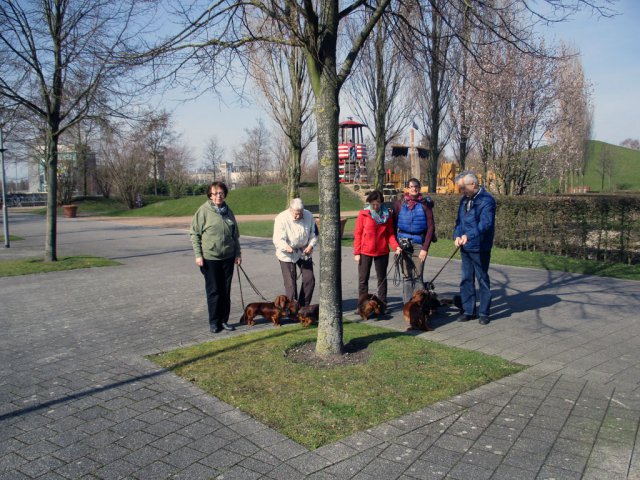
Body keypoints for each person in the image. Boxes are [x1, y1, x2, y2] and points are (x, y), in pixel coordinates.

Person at [190, 181, 241, 334]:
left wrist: (237, 253)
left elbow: (235, 235)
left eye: (221, 193)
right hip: (210, 258)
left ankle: (224, 320)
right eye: (215, 193)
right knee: (214, 291)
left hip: (228, 257)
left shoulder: (228, 211)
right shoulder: (203, 211)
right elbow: (194, 234)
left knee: (225, 290)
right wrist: (198, 255)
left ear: (225, 194)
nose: (218, 196)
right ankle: (214, 322)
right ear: (210, 195)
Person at [454, 171, 496, 325]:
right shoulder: (464, 200)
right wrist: (457, 236)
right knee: (466, 279)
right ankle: (468, 311)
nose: (462, 192)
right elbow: (459, 222)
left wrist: (469, 235)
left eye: (463, 188)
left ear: (473, 184)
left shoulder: (487, 201)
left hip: (480, 247)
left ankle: (484, 312)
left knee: (482, 279)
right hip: (465, 246)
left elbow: (485, 224)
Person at [354, 190, 402, 308]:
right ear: (369, 203)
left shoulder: (387, 216)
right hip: (365, 251)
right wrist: (357, 252)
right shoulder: (363, 214)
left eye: (378, 203)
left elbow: (390, 234)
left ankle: (382, 304)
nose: (375, 206)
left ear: (381, 203)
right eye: (373, 204)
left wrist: (396, 247)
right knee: (363, 280)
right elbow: (358, 233)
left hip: (382, 251)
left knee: (382, 279)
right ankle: (362, 305)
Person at [392, 178, 436, 303]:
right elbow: (393, 225)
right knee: (407, 276)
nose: (414, 188)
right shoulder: (399, 204)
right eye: (411, 186)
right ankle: (407, 306)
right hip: (403, 244)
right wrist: (396, 246)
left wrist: (425, 248)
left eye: (416, 186)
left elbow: (431, 227)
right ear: (407, 188)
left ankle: (419, 305)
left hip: (418, 243)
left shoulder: (425, 204)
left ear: (420, 187)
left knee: (418, 276)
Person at [273, 198, 318, 306]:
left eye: (300, 213)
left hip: (304, 252)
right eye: (296, 214)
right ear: (290, 210)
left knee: (309, 279)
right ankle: (292, 309)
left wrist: (311, 245)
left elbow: (315, 234)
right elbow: (277, 239)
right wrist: (286, 247)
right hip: (287, 253)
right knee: (291, 284)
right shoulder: (281, 218)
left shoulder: (309, 215)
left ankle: (303, 305)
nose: (298, 216)